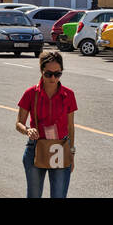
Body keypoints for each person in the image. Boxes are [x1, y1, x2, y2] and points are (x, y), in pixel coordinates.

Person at [16, 49, 76, 198]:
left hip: (60, 148)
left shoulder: (68, 95)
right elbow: (19, 123)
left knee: (58, 195)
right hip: (36, 147)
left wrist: (72, 153)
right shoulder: (30, 93)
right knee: (34, 195)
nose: (53, 78)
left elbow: (70, 126)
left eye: (58, 74)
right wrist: (27, 130)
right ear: (41, 71)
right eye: (49, 74)